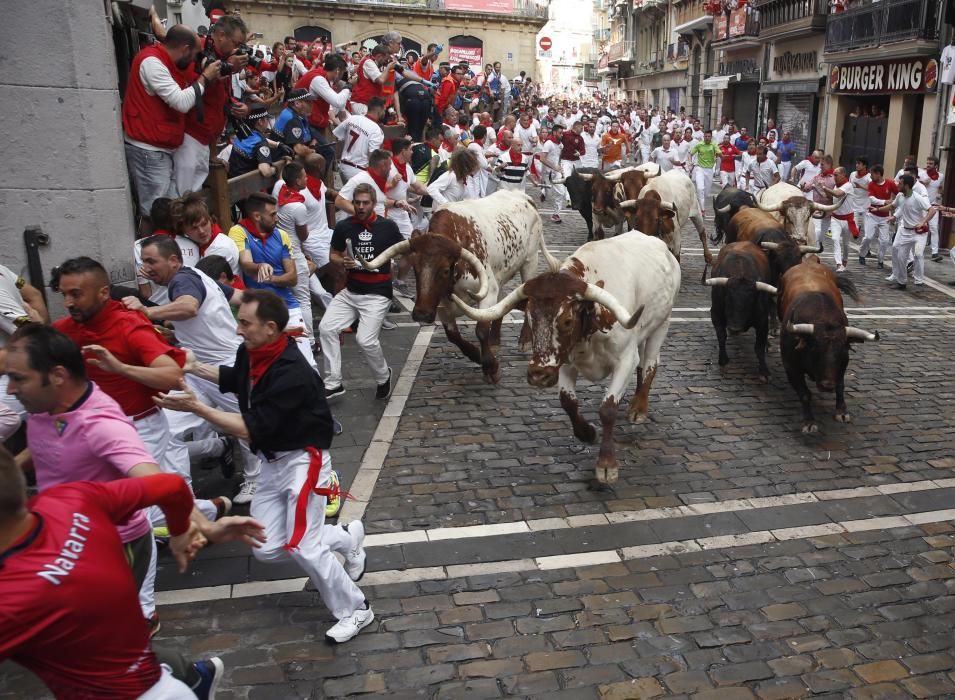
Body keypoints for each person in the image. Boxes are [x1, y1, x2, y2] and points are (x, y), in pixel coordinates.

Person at [155, 289, 371, 643]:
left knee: (303, 545)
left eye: (244, 322)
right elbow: (235, 378)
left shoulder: (292, 373)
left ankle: (356, 609)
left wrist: (198, 408)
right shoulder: (251, 351)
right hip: (273, 462)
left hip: (305, 461)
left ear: (270, 328)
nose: (238, 329)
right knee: (267, 547)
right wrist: (194, 367)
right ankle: (346, 538)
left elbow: (249, 427)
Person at [0, 445, 255, 699]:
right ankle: (193, 675)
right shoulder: (69, 499)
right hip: (164, 687)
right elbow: (170, 487)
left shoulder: (12, 599)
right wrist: (180, 531)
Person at [51, 257, 226, 527]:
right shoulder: (65, 330)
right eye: (64, 295)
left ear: (103, 292)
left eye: (76, 294)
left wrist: (121, 368)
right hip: (92, 429)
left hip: (140, 428)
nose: (69, 302)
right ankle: (207, 511)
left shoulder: (129, 326)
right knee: (123, 501)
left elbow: (171, 374)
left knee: (133, 508)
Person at [127, 235, 264, 505]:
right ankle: (184, 497)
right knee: (167, 428)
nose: (146, 267)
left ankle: (256, 479)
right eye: (143, 262)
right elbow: (238, 296)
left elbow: (189, 307)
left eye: (152, 261)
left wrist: (146, 312)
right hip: (194, 371)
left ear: (174, 261)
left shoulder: (182, 280)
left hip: (224, 367)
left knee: (247, 424)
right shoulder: (199, 275)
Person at [122, 25, 221, 219]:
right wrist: (204, 78)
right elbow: (181, 102)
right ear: (184, 49)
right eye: (194, 55)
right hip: (148, 149)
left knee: (167, 207)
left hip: (159, 147)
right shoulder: (152, 62)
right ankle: (155, 247)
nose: (194, 60)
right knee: (157, 211)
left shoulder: (166, 60)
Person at [319, 184, 403, 401]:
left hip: (377, 292)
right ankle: (333, 382)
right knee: (326, 328)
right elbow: (333, 255)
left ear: (374, 204)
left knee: (365, 340)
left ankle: (383, 376)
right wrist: (343, 261)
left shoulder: (388, 227)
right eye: (357, 202)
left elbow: (405, 249)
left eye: (365, 203)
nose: (361, 207)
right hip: (351, 291)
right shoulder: (344, 226)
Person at [228, 193, 314, 365]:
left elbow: (292, 278)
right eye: (273, 214)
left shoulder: (281, 234)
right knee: (267, 363)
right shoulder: (238, 231)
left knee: (307, 362)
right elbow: (246, 263)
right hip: (258, 313)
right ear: (257, 216)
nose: (278, 218)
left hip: (288, 306)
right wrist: (259, 267)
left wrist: (270, 278)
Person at [175, 14, 251, 196]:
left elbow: (220, 95)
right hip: (190, 135)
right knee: (185, 195)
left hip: (207, 137)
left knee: (197, 192)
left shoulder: (223, 56)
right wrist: (227, 67)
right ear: (221, 35)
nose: (236, 48)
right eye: (235, 43)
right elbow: (193, 88)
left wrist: (237, 106)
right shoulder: (196, 51)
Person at [0, 264, 49, 441]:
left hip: (12, 379)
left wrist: (40, 326)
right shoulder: (3, 270)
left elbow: (34, 336)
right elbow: (33, 295)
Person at [273, 161, 319, 339]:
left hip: (281, 250)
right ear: (298, 181)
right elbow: (303, 235)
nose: (307, 178)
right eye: (304, 176)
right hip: (294, 253)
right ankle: (311, 340)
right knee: (303, 300)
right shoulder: (299, 206)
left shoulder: (282, 194)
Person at [876, 174, 931, 290]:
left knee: (918, 254)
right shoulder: (900, 196)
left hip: (919, 232)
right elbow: (892, 206)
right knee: (901, 257)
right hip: (905, 231)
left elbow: (932, 210)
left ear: (906, 185)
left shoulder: (917, 198)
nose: (897, 185)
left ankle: (919, 282)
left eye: (900, 183)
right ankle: (902, 282)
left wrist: (923, 222)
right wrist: (878, 209)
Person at [174, 192, 242, 277]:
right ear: (183, 230)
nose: (201, 231)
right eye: (194, 228)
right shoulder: (197, 243)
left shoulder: (220, 248)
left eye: (204, 224)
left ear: (210, 220)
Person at [334, 96, 386, 182]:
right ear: (379, 110)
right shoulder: (377, 130)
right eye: (384, 110)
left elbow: (338, 138)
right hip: (358, 171)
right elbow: (372, 157)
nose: (384, 112)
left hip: (343, 167)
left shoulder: (353, 118)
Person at [815, 167, 855, 272]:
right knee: (834, 239)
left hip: (847, 219)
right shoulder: (836, 185)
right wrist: (817, 188)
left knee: (846, 244)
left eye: (836, 175)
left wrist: (824, 186)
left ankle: (845, 260)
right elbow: (828, 196)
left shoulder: (848, 186)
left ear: (843, 175)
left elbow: (837, 194)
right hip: (836, 218)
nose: (834, 177)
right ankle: (838, 263)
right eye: (833, 175)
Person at [388, 138, 430, 238]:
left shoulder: (407, 168)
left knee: (410, 243)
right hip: (387, 212)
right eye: (410, 149)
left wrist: (434, 191)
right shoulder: (388, 167)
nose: (412, 152)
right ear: (403, 151)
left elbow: (418, 188)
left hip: (402, 212)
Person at [228, 104, 284, 179]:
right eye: (266, 119)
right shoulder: (261, 143)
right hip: (247, 186)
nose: (268, 122)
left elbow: (254, 141)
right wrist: (277, 168)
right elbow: (265, 171)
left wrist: (277, 144)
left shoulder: (243, 133)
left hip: (230, 181)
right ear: (260, 121)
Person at [860, 165, 898, 269]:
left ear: (878, 174)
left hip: (885, 216)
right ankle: (862, 254)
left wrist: (896, 203)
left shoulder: (890, 183)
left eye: (872, 174)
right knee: (868, 237)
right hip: (872, 215)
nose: (870, 176)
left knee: (884, 240)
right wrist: (885, 202)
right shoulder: (871, 184)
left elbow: (899, 194)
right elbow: (871, 199)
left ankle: (880, 261)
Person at [920, 156, 945, 261]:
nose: (928, 165)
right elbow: (916, 188)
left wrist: (939, 194)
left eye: (930, 163)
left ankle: (935, 253)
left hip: (933, 206)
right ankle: (918, 250)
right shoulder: (921, 174)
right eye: (927, 163)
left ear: (935, 165)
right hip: (922, 205)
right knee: (922, 228)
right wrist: (924, 183)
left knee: (934, 228)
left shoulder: (941, 176)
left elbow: (940, 188)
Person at [690, 131, 718, 214]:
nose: (707, 138)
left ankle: (700, 203)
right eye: (705, 136)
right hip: (700, 169)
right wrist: (690, 162)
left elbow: (720, 154)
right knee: (700, 188)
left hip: (709, 170)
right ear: (703, 137)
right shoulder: (699, 144)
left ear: (711, 137)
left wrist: (719, 161)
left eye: (709, 136)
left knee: (706, 192)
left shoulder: (714, 145)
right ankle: (702, 209)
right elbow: (690, 153)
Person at [849, 157, 872, 251]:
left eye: (859, 163)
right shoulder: (852, 174)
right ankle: (856, 232)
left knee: (868, 233)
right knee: (854, 229)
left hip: (866, 206)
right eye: (856, 163)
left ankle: (867, 249)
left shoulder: (869, 177)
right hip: (854, 205)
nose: (857, 165)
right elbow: (849, 186)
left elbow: (872, 189)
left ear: (864, 165)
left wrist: (860, 186)